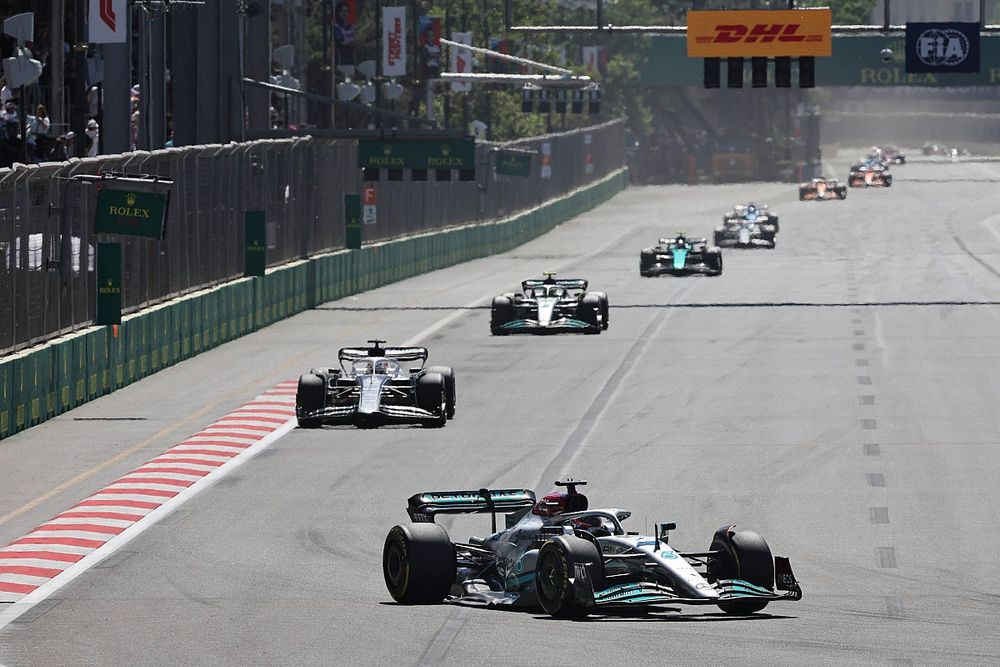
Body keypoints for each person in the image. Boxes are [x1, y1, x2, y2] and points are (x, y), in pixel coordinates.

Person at [333, 2, 356, 68]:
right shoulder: (335, 27)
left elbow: (356, 42)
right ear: (338, 12)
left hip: (351, 58)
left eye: (346, 11)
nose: (344, 13)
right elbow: (340, 41)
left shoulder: (352, 27)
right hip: (339, 59)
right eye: (342, 11)